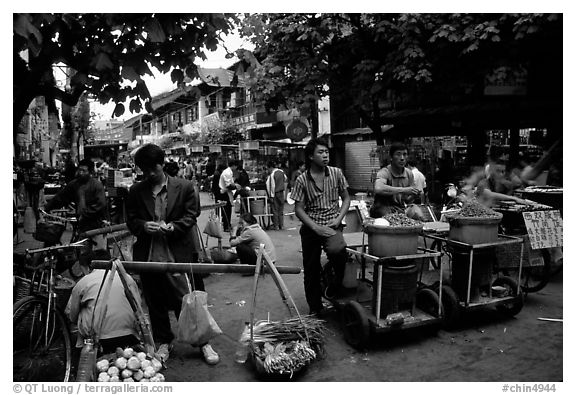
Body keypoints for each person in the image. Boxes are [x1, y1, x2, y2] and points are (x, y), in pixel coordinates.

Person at [126, 144, 219, 365]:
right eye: (143, 169)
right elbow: (131, 220)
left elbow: (191, 215)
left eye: (152, 169)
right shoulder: (136, 191)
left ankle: (202, 342)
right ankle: (163, 341)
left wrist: (175, 227)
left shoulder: (184, 186)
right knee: (155, 300)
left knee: (187, 299)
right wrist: (142, 226)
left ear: (162, 164)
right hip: (149, 254)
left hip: (177, 251)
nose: (148, 174)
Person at [291, 137, 351, 316]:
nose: (325, 155)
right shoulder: (302, 180)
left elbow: (346, 199)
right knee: (310, 269)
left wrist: (339, 219)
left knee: (338, 251)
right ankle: (315, 307)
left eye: (327, 152)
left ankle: (334, 282)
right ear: (310, 156)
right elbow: (298, 209)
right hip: (311, 227)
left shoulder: (336, 173)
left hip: (333, 223)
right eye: (321, 152)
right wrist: (316, 228)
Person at [65, 250, 141, 354]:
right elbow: (138, 306)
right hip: (130, 336)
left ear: (89, 266)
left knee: (82, 311)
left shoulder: (84, 281)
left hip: (99, 339)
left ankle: (83, 354)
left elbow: (72, 316)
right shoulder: (128, 278)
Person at [44, 158, 108, 269]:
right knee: (84, 254)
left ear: (90, 172)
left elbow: (101, 204)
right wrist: (47, 208)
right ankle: (86, 278)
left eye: (84, 171)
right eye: (79, 170)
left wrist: (85, 213)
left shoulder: (97, 185)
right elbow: (61, 197)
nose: (81, 173)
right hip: (83, 225)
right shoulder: (74, 185)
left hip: (98, 225)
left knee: (99, 255)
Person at [370, 142, 420, 218]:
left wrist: (414, 195)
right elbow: (378, 188)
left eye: (405, 154)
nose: (402, 158)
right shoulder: (384, 172)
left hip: (399, 209)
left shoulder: (409, 173)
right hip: (381, 208)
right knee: (391, 217)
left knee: (417, 213)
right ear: (391, 157)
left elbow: (407, 200)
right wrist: (404, 190)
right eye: (398, 154)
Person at [218, 160, 239, 232]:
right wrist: (236, 186)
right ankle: (226, 226)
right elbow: (228, 185)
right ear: (233, 166)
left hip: (227, 193)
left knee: (228, 209)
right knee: (226, 210)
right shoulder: (227, 173)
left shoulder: (229, 172)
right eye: (236, 166)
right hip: (224, 193)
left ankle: (227, 224)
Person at [266, 160, 287, 230]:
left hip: (275, 193)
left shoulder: (272, 175)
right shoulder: (282, 172)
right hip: (282, 193)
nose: (268, 170)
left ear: (270, 167)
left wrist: (271, 196)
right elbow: (285, 180)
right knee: (281, 210)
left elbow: (272, 186)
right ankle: (282, 225)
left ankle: (276, 226)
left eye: (268, 169)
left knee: (275, 210)